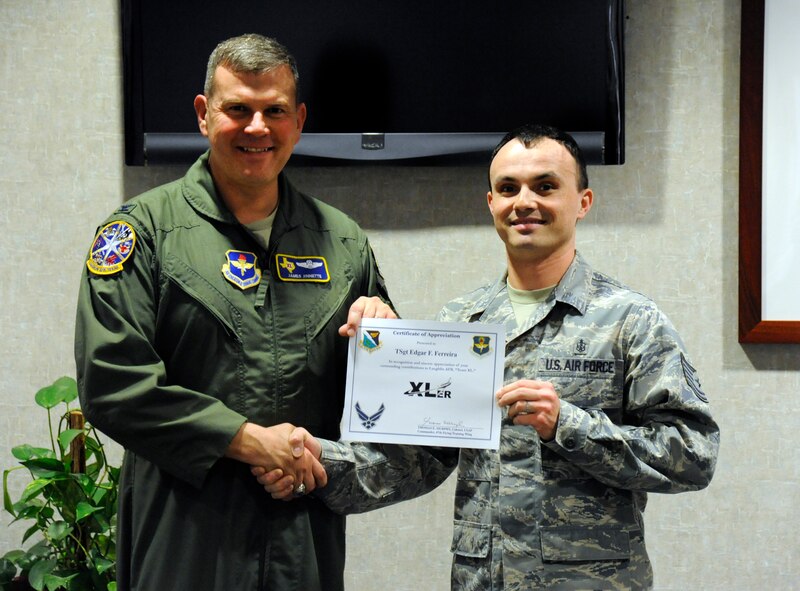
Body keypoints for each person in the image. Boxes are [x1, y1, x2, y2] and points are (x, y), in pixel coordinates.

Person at [258, 124, 720, 590]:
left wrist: (568, 425)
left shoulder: (630, 320)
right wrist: (319, 462)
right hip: (483, 579)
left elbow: (694, 453)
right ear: (491, 203)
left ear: (583, 202)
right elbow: (417, 460)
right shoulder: (462, 323)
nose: (524, 201)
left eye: (545, 186)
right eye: (508, 188)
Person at [74, 33, 452, 591]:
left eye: (274, 111)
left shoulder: (342, 241)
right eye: (238, 109)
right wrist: (248, 439)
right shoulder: (143, 233)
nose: (257, 128)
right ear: (204, 114)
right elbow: (114, 384)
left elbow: (382, 414)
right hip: (184, 540)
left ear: (298, 121)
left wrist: (383, 338)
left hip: (303, 542)